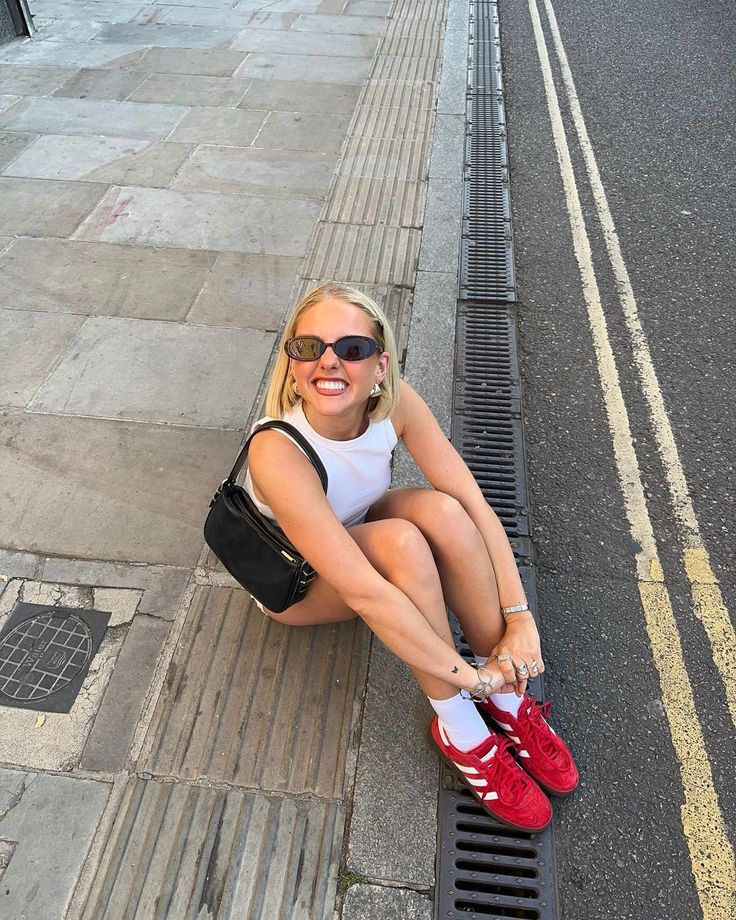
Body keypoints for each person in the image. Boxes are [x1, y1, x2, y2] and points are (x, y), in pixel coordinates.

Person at [245, 282, 578, 832]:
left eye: (351, 349)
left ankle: (510, 696)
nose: (328, 362)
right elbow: (365, 592)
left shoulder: (394, 406)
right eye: (309, 348)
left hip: (353, 533)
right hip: (296, 581)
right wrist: (468, 681)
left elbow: (475, 504)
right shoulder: (276, 449)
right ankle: (461, 729)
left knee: (446, 513)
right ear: (291, 363)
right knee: (403, 543)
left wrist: (520, 621)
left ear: (381, 364)